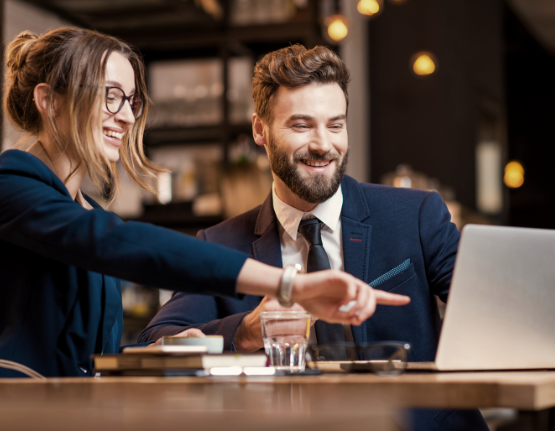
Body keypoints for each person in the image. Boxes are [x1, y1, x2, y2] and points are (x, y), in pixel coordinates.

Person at [0, 29, 410, 378]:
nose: (125, 116)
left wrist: (165, 352)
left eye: (130, 100)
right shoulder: (11, 185)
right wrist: (289, 284)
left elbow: (87, 362)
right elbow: (119, 243)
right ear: (49, 100)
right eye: (110, 96)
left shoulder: (87, 209)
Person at [138, 44, 488, 431]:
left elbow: (489, 309)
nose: (324, 144)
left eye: (335, 125)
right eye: (302, 125)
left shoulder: (416, 215)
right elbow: (155, 343)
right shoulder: (219, 244)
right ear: (260, 130)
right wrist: (246, 330)